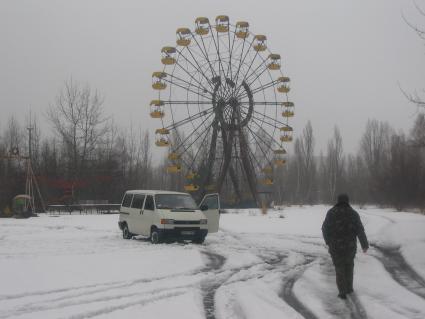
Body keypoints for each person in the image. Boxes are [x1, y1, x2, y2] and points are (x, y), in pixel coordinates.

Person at [321, 193, 369, 299]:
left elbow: (324, 229)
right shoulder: (353, 214)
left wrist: (328, 242)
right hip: (350, 247)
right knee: (349, 266)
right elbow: (360, 230)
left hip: (335, 247)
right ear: (347, 201)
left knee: (339, 268)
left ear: (338, 201)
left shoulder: (331, 213)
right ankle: (349, 288)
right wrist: (364, 245)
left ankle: (342, 292)